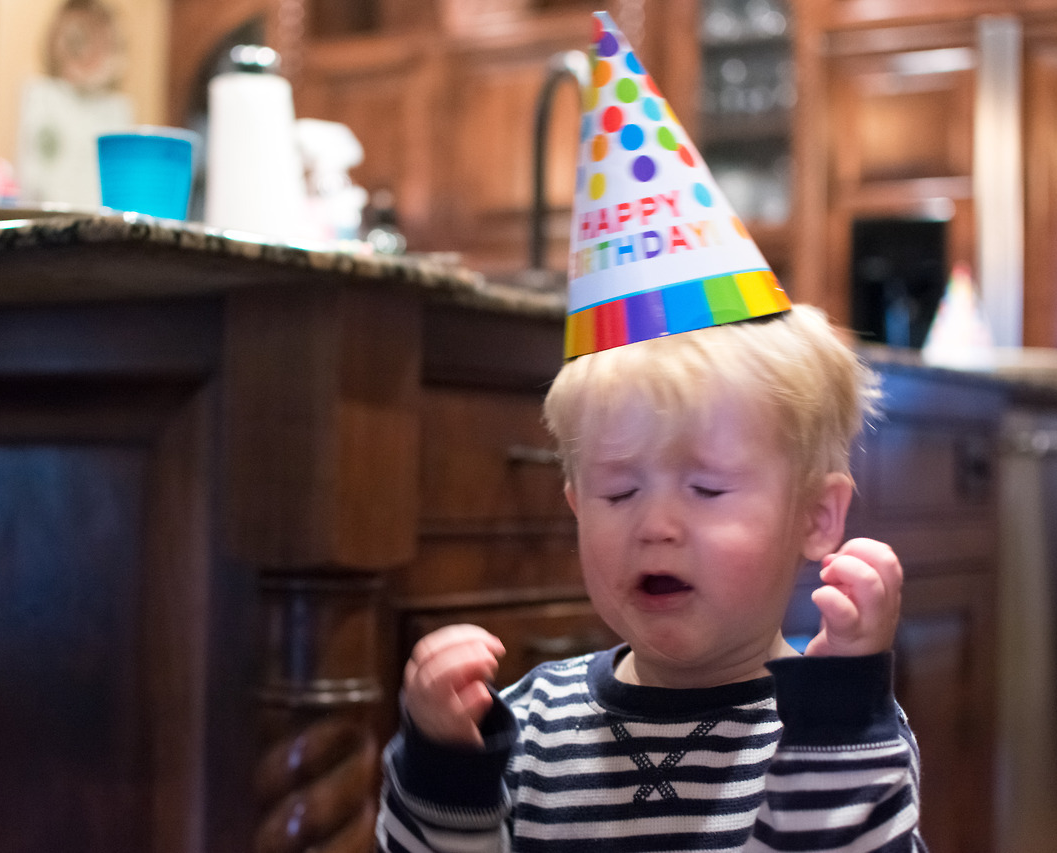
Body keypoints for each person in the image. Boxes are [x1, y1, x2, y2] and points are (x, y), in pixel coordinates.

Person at [376, 305, 926, 852]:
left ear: (815, 516)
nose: (655, 526)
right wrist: (442, 769)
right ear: (576, 508)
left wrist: (841, 712)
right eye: (619, 494)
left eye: (707, 489)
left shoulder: (840, 737)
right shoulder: (528, 724)